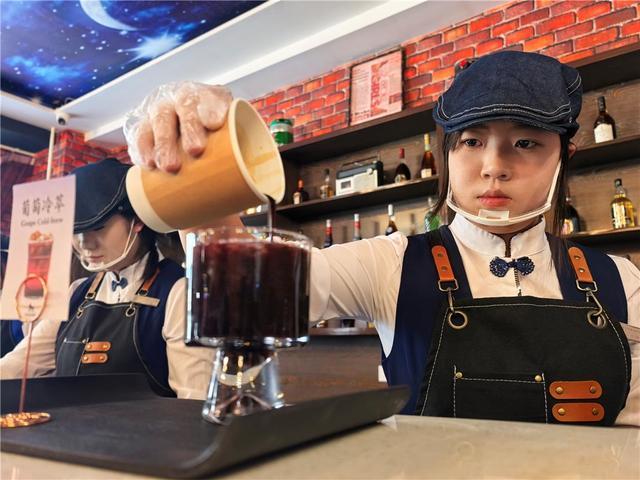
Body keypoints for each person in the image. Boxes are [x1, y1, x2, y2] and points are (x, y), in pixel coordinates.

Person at [123, 51, 639, 426]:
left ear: (564, 157)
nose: (492, 167)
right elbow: (246, 302)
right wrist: (200, 178)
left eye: (525, 143)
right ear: (448, 154)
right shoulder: (391, 262)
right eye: (471, 141)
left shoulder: (621, 280)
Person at [0, 158, 213, 398]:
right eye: (75, 231)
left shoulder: (178, 292)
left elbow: (193, 399)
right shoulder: (76, 292)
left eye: (97, 228)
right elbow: (19, 364)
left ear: (137, 221)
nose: (84, 243)